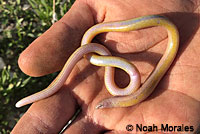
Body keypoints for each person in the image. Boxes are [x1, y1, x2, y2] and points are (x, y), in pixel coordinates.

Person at [12, 0, 200, 133]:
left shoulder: (119, 90)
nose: (103, 105)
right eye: (105, 105)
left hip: (103, 53)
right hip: (99, 54)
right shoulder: (116, 82)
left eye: (103, 104)